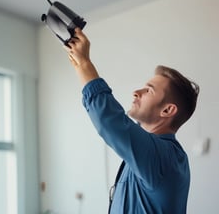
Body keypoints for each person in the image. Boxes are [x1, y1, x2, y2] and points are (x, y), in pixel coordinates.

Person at [64, 28, 200, 214]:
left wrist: (85, 63)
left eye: (148, 90)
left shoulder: (163, 157)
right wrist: (79, 63)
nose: (137, 92)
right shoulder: (152, 154)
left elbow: (111, 121)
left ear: (167, 110)